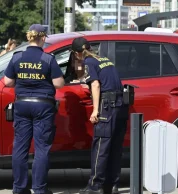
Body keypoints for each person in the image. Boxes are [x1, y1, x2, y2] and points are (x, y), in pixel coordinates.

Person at [4, 24, 65, 194]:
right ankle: (39, 189)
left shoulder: (17, 57)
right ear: (43, 38)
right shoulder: (48, 59)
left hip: (22, 104)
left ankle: (19, 189)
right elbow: (59, 83)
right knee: (41, 148)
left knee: (20, 148)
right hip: (43, 105)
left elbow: (7, 82)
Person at [69, 37, 129, 194]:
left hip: (107, 106)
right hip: (120, 106)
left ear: (77, 53)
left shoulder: (88, 62)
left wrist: (95, 110)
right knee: (115, 148)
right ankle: (112, 185)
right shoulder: (104, 60)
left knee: (101, 147)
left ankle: (95, 186)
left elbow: (95, 84)